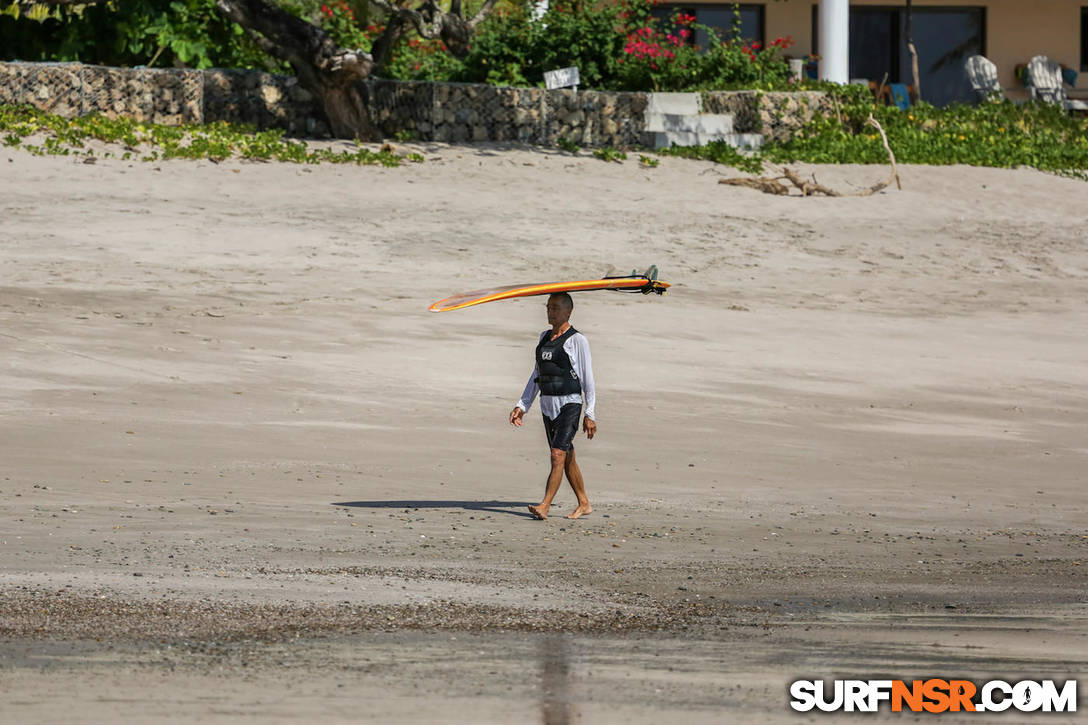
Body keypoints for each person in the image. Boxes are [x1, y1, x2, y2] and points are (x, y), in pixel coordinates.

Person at [509, 292, 596, 520]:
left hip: (570, 403)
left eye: (556, 308)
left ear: (568, 311)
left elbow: (588, 380)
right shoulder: (543, 337)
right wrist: (522, 405)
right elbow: (537, 374)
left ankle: (544, 505)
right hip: (547, 405)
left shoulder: (578, 340)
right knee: (567, 457)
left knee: (557, 454)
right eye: (548, 307)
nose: (550, 311)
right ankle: (584, 503)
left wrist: (590, 413)